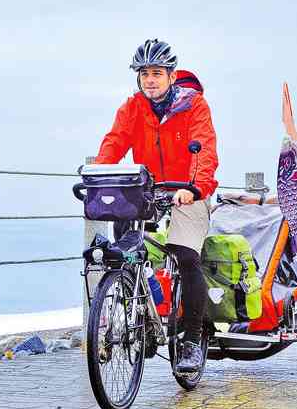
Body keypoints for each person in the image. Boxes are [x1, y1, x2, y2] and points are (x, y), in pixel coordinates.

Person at [94, 39, 219, 373]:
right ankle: (143, 315)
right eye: (144, 73)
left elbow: (204, 149)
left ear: (171, 75)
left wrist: (195, 188)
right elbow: (115, 142)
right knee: (126, 252)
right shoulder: (132, 107)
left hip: (188, 189)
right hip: (146, 189)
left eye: (157, 73)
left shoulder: (194, 106)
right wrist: (101, 176)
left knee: (184, 254)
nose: (150, 79)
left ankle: (191, 340)